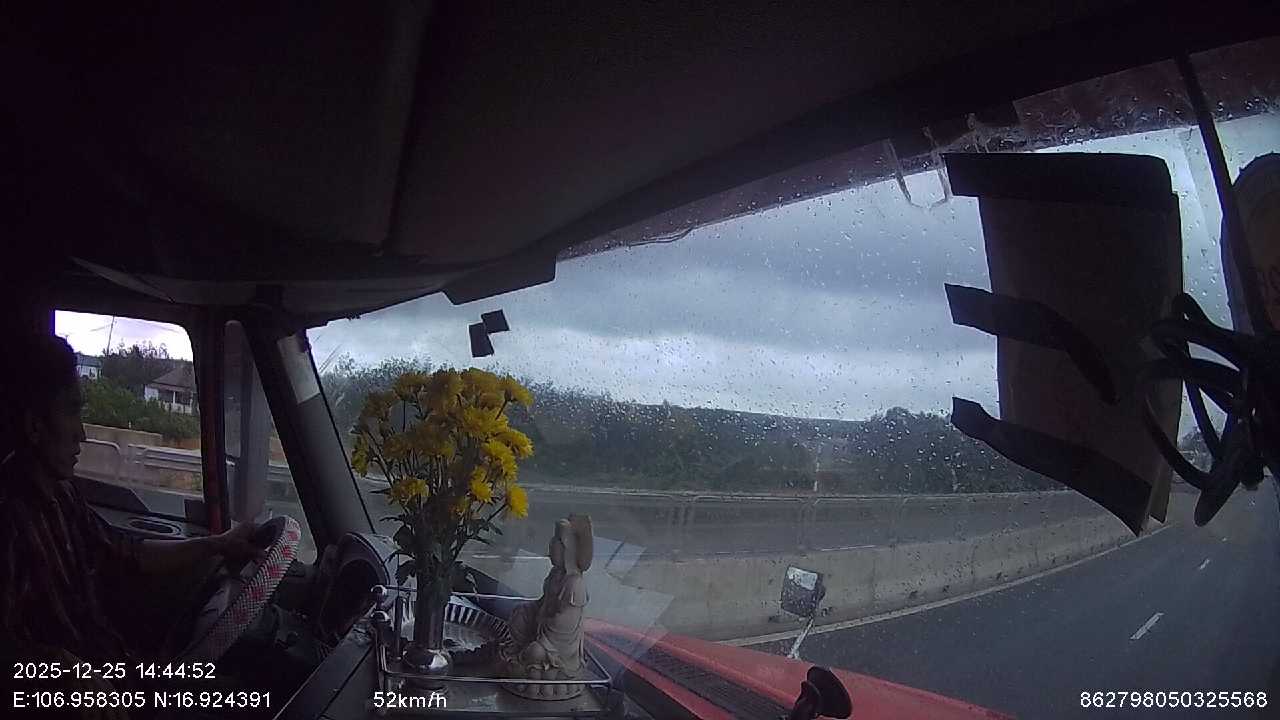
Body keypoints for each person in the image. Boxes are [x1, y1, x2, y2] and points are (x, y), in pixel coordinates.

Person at [0, 333, 262, 673]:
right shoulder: (9, 518)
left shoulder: (63, 496)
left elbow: (127, 552)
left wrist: (217, 544)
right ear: (35, 427)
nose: (82, 433)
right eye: (72, 412)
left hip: (116, 667)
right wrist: (58, 669)